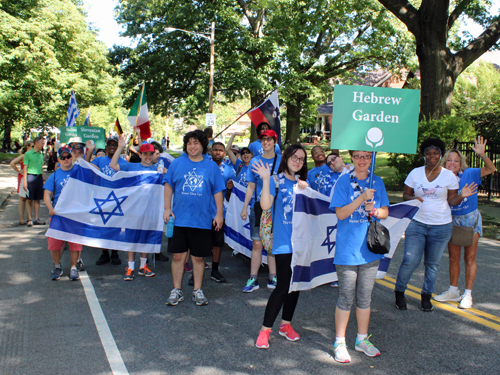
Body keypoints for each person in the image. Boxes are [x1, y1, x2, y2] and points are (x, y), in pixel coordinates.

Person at [394, 138, 477, 312]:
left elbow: (452, 201)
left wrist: (462, 195)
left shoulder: (448, 176)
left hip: (441, 226)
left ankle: (426, 296)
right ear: (424, 155)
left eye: (435, 153)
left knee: (432, 264)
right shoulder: (415, 173)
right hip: (417, 223)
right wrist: (413, 199)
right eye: (428, 153)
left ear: (440, 155)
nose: (432, 156)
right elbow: (405, 195)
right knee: (410, 260)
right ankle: (400, 291)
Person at [329, 150, 390, 363]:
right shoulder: (344, 181)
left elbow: (385, 212)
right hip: (347, 251)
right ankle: (339, 342)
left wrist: (374, 211)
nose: (363, 160)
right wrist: (362, 198)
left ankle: (362, 339)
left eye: (367, 156)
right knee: (346, 297)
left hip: (370, 250)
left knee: (365, 297)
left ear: (371, 159)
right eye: (358, 156)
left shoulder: (377, 182)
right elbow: (340, 213)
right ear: (352, 158)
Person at [254, 144, 309, 349]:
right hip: (283, 242)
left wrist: (307, 189)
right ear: (286, 158)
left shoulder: (303, 183)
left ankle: (286, 325)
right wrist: (267, 179)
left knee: (295, 287)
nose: (297, 161)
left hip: (301, 243)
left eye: (301, 159)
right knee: (283, 286)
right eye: (294, 157)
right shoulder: (276, 180)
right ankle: (265, 330)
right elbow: (266, 205)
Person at [434, 136, 496, 308]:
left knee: (470, 258)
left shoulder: (469, 174)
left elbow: (491, 169)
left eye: (456, 160)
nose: (452, 163)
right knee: (453, 258)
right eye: (449, 160)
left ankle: (468, 294)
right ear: (444, 163)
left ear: (460, 164)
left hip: (470, 220)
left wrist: (483, 155)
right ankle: (453, 291)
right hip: (451, 221)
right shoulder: (441, 180)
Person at [164, 130, 224, 306]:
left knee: (198, 258)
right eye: (189, 143)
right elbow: (168, 186)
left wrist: (219, 213)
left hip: (202, 220)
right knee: (178, 257)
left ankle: (198, 290)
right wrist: (167, 207)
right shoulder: (177, 164)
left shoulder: (211, 166)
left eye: (196, 143)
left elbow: (218, 191)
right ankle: (177, 290)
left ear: (203, 145)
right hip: (180, 218)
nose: (192, 146)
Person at [110, 135, 160, 280]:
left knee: (145, 236)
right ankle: (130, 267)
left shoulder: (157, 169)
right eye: (145, 154)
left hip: (150, 210)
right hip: (132, 209)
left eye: (151, 154)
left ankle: (142, 266)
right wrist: (120, 147)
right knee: (131, 238)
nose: (148, 157)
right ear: (140, 154)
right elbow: (113, 166)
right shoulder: (131, 166)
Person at [240, 130, 281, 292]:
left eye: (269, 140)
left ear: (274, 142)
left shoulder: (282, 160)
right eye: (263, 140)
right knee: (257, 243)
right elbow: (251, 186)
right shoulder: (256, 161)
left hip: (276, 207)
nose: (266, 143)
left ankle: (273, 276)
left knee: (273, 245)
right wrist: (244, 207)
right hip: (258, 206)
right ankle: (253, 278)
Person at [43, 146, 82, 281]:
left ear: (72, 157)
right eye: (63, 157)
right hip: (58, 215)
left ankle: (73, 267)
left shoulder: (79, 171)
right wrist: (50, 208)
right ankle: (57, 266)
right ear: (59, 159)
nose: (66, 159)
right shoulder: (55, 175)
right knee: (54, 244)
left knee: (75, 244)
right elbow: (47, 194)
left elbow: (95, 172)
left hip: (74, 215)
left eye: (68, 156)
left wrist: (82, 158)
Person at [88, 137, 125, 265]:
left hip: (117, 198)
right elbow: (86, 165)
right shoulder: (99, 160)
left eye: (115, 145)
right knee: (102, 226)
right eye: (110, 145)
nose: (112, 147)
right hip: (102, 197)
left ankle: (115, 253)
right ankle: (104, 253)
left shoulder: (122, 161)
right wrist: (90, 151)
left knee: (115, 227)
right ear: (106, 147)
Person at [207, 142, 236, 283]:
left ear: (224, 153)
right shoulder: (204, 166)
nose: (218, 152)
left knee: (217, 243)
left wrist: (230, 189)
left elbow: (232, 197)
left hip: (219, 212)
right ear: (210, 151)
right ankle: (195, 272)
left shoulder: (229, 170)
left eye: (221, 150)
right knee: (199, 243)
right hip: (203, 212)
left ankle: (215, 270)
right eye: (215, 150)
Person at [23, 135, 46, 227]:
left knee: (37, 199)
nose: (43, 145)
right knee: (29, 199)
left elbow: (41, 167)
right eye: (41, 143)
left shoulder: (41, 154)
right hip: (30, 176)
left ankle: (36, 218)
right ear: (36, 143)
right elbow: (25, 167)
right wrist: (25, 181)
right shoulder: (28, 154)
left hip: (39, 177)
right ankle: (29, 219)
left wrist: (43, 179)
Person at [10, 141, 34, 225]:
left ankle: (28, 218)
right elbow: (12, 163)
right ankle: (22, 219)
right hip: (23, 178)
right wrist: (18, 171)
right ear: (27, 147)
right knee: (23, 199)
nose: (33, 147)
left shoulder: (33, 155)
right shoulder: (24, 155)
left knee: (29, 199)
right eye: (32, 146)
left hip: (30, 178)